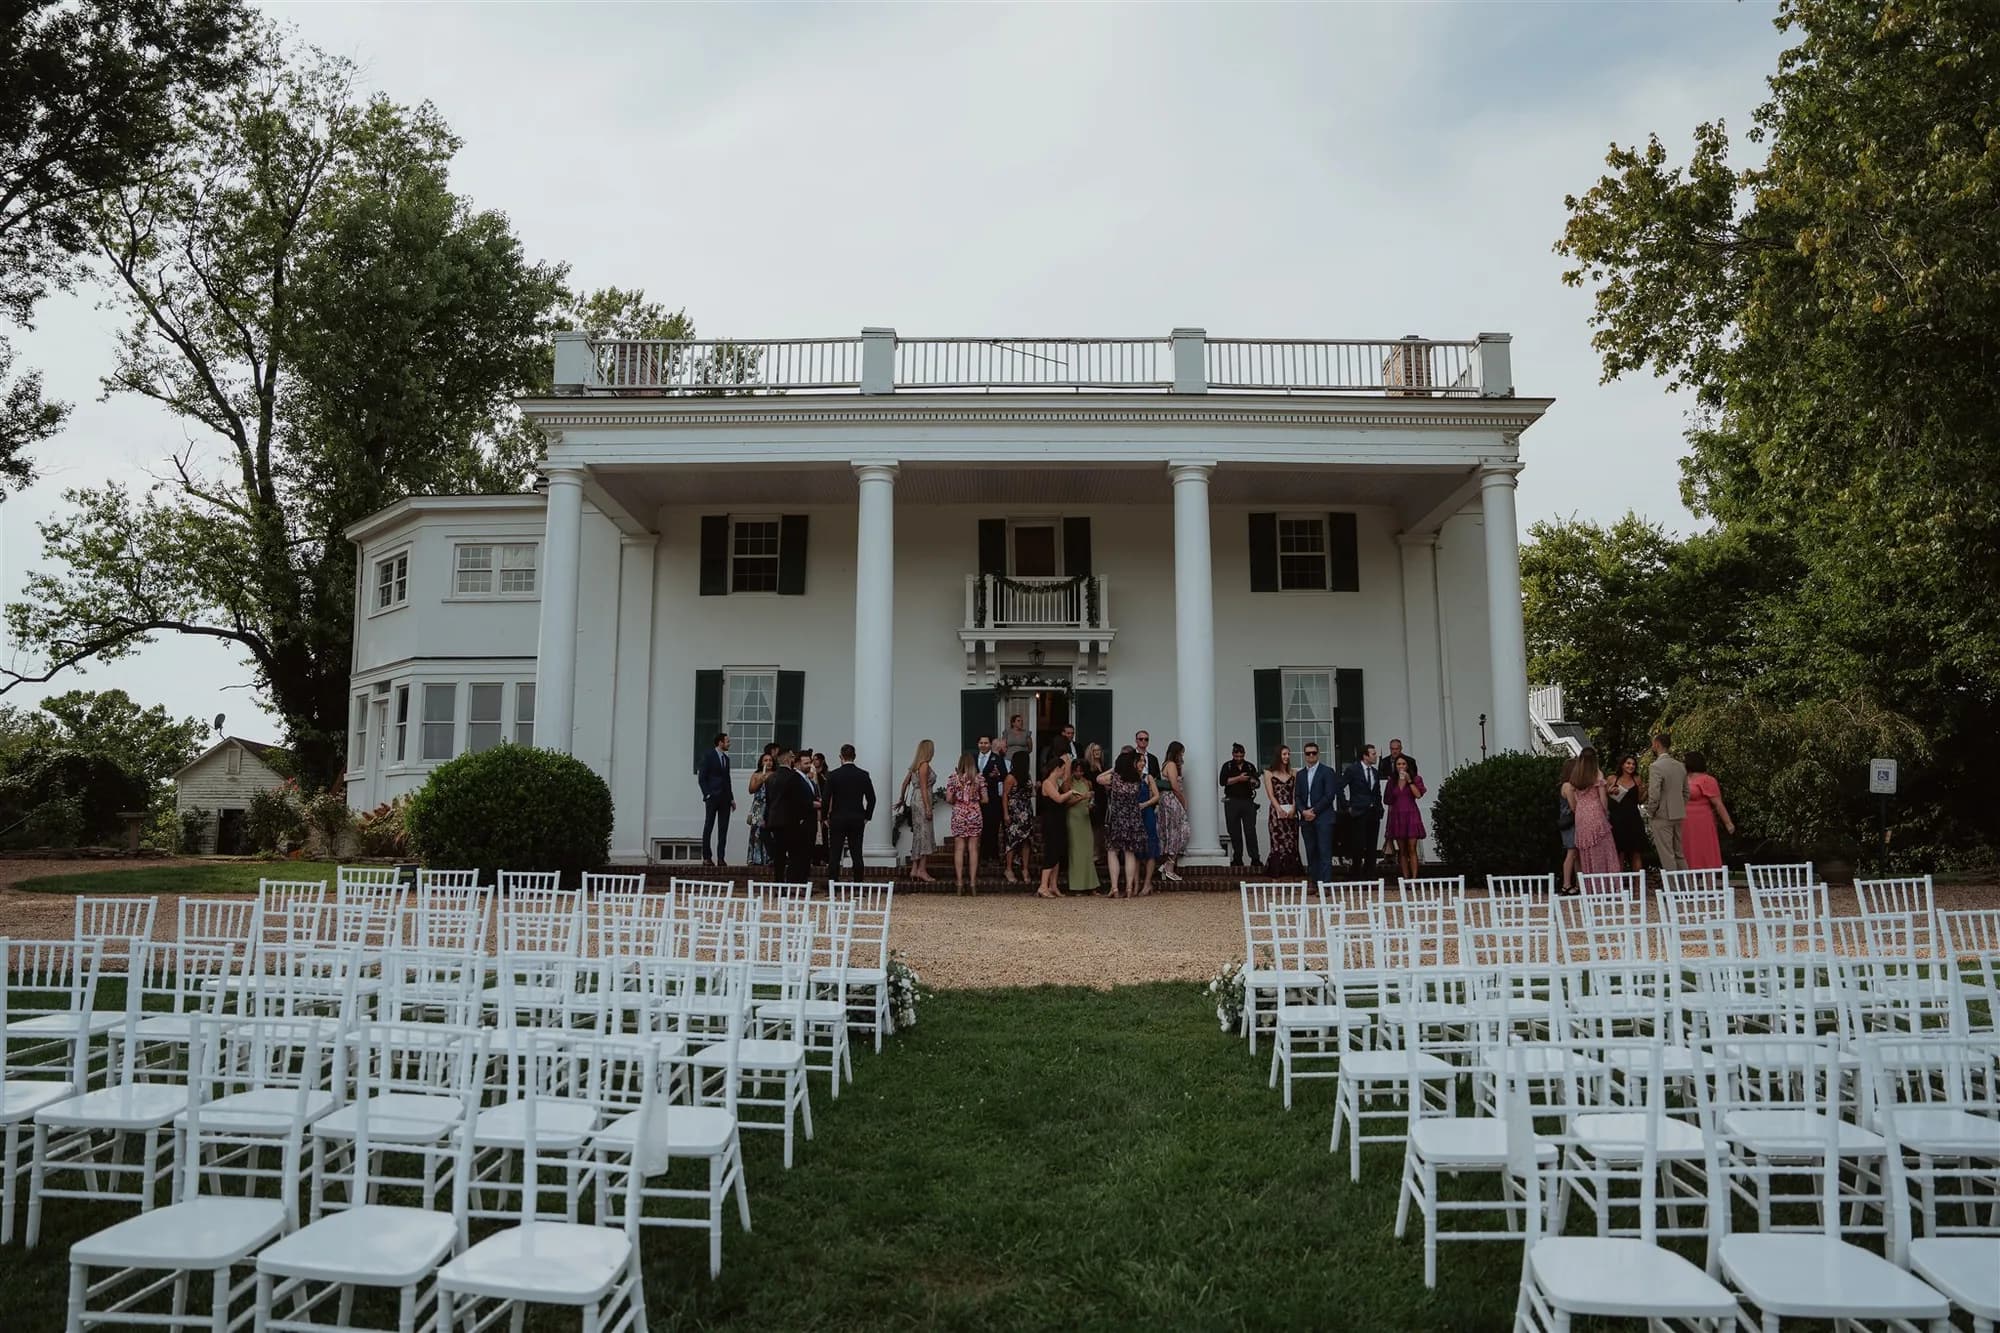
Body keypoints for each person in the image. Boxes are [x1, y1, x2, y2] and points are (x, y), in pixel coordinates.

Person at [761, 747, 813, 882]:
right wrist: (801, 817)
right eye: (791, 757)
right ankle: (791, 882)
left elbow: (769, 801)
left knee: (779, 855)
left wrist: (767, 819)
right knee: (795, 854)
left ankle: (779, 883)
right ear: (786, 759)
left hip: (775, 821)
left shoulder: (771, 778)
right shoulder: (793, 777)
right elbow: (798, 800)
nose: (792, 760)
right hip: (791, 821)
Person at [1104, 749, 1151, 898]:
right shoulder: (1136, 779)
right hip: (1133, 818)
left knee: (1112, 851)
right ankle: (1129, 888)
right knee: (1129, 852)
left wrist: (1113, 769)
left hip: (1118, 818)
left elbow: (1099, 778)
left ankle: (1115, 887)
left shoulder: (1115, 778)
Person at [1569, 746, 1620, 882]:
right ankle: (1608, 885)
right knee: (1605, 849)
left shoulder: (1575, 775)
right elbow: (1603, 798)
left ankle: (1592, 886)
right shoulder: (1597, 774)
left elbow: (1574, 799)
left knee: (1587, 850)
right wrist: (1605, 812)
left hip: (1581, 814)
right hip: (1596, 812)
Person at [824, 743, 875, 879]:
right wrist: (867, 816)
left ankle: (832, 886)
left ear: (841, 756)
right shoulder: (863, 775)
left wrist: (824, 817)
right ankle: (858, 886)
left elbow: (826, 798)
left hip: (837, 817)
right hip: (857, 817)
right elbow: (872, 799)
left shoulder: (833, 775)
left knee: (834, 854)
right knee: (857, 853)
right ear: (855, 756)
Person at [1681, 752, 1735, 872]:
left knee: (1704, 851)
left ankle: (1709, 885)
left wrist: (1728, 822)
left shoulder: (1708, 780)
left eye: (1684, 761)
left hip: (1702, 821)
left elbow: (1718, 803)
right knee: (1688, 851)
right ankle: (1690, 886)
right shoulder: (1682, 779)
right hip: (1685, 822)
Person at [1645, 732, 1690, 875]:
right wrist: (1679, 806)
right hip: (1678, 812)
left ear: (1657, 744)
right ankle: (1686, 889)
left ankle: (1673, 890)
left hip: (1661, 814)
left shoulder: (1656, 767)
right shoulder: (1680, 766)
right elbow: (1686, 792)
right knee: (1679, 853)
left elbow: (1654, 794)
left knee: (1667, 855)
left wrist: (1651, 812)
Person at [1036, 753, 1078, 899]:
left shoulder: (1057, 782)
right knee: (1051, 852)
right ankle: (1043, 886)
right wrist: (1071, 792)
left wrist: (1068, 763)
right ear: (1056, 769)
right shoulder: (1047, 783)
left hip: (1058, 820)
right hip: (1051, 821)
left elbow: (1065, 779)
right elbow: (1059, 799)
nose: (1063, 772)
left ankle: (1053, 885)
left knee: (1058, 852)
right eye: (1062, 769)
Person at [1296, 741, 1338, 885]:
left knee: (1324, 851)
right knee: (1311, 851)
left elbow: (1329, 795)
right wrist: (1303, 811)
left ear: (1318, 754)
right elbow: (1297, 796)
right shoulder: (1300, 774)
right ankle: (1314, 881)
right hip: (1306, 817)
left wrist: (1314, 810)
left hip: (1323, 817)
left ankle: (1325, 884)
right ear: (1304, 755)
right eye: (1308, 753)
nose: (1311, 755)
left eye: (1314, 753)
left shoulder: (1327, 771)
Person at [945, 751, 986, 894]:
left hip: (959, 814)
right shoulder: (979, 779)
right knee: (974, 849)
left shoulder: (953, 778)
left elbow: (949, 799)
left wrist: (959, 800)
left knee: (959, 849)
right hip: (974, 813)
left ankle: (960, 883)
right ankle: (973, 883)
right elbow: (985, 799)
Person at [897, 739, 937, 882]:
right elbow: (924, 787)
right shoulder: (924, 765)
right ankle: (922, 869)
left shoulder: (914, 765)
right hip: (922, 800)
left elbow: (904, 784)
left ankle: (914, 868)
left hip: (915, 798)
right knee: (925, 834)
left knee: (918, 834)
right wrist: (927, 807)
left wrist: (902, 799)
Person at [1382, 753, 1427, 881]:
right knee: (1402, 849)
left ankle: (1414, 878)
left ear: (1407, 766)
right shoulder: (1392, 781)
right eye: (1398, 764)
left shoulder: (1416, 778)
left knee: (1412, 848)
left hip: (1411, 814)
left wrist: (1409, 781)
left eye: (1403, 764)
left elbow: (1418, 795)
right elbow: (1387, 799)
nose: (1401, 766)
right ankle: (1405, 878)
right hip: (1397, 815)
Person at [1341, 743, 1384, 874]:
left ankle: (1370, 874)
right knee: (1358, 845)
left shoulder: (1375, 772)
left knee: (1372, 845)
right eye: (1373, 754)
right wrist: (1347, 805)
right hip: (1359, 812)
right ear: (1365, 756)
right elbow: (1339, 786)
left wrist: (1379, 807)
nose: (1376, 756)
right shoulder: (1353, 770)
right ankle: (1356, 874)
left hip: (1373, 812)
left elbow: (1377, 792)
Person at [1219, 743, 1262, 870]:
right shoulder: (1227, 766)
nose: (1238, 757)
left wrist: (1253, 781)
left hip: (1247, 801)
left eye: (1241, 755)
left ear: (1244, 754)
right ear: (1233, 754)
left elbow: (1256, 784)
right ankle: (1237, 858)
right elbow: (1223, 782)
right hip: (1232, 801)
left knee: (1250, 831)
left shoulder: (1250, 766)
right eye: (1236, 755)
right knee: (1234, 831)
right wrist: (1239, 778)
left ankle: (1255, 858)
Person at [1156, 741, 1191, 882]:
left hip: (1168, 800)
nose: (1182, 755)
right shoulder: (1170, 765)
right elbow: (1175, 786)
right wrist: (1184, 801)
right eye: (1181, 752)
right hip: (1171, 800)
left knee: (1175, 832)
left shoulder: (1169, 764)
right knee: (1179, 832)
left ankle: (1168, 865)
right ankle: (1169, 866)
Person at [697, 731, 735, 866]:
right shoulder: (708, 756)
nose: (729, 743)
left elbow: (727, 780)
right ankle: (707, 857)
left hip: (725, 798)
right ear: (720, 742)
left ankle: (721, 858)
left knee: (723, 829)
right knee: (709, 826)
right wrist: (707, 794)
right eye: (727, 741)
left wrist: (731, 798)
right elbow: (702, 778)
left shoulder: (726, 759)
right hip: (712, 797)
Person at [1264, 745, 1302, 874]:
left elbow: (1296, 793)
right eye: (1284, 754)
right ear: (1278, 756)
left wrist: (1294, 808)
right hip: (1276, 811)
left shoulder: (1294, 773)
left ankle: (1292, 869)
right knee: (1277, 841)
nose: (1287, 757)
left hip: (1291, 811)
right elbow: (1270, 794)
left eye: (1288, 754)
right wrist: (1278, 808)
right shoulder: (1268, 773)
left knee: (1291, 840)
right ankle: (1277, 869)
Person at [1066, 749, 1100, 895]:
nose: (1079, 774)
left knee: (1087, 852)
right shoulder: (1068, 783)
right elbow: (1066, 803)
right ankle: (1076, 886)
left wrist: (1091, 804)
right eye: (1076, 771)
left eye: (1081, 771)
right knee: (1075, 852)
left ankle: (1091, 885)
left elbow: (1092, 800)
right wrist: (1082, 797)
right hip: (1073, 818)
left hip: (1085, 817)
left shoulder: (1088, 782)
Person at [1605, 753, 1647, 873]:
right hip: (1616, 819)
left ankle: (1638, 887)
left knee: (1636, 853)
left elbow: (1639, 800)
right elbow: (1603, 799)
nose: (1631, 766)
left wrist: (1646, 792)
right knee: (1619, 853)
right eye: (1628, 763)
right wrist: (1609, 791)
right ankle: (1619, 887)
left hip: (1633, 818)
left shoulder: (1637, 779)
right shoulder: (1612, 779)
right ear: (1622, 765)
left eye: (1633, 764)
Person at [1002, 749, 1037, 885]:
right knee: (1012, 841)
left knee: (1026, 840)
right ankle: (1009, 869)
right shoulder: (1010, 777)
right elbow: (1005, 795)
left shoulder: (1026, 776)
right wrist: (1005, 814)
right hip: (1014, 811)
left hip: (1026, 810)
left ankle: (1025, 869)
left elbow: (1031, 793)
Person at [745, 744, 778, 868]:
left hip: (771, 806)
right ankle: (755, 858)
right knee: (756, 832)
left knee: (770, 833)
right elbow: (751, 790)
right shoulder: (756, 775)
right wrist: (761, 780)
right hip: (758, 806)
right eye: (765, 760)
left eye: (770, 760)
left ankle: (769, 858)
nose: (768, 763)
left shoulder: (776, 774)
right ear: (761, 762)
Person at [978, 737, 1008, 868]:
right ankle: (982, 856)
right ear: (978, 744)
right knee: (981, 828)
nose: (983, 745)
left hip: (993, 798)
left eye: (986, 743)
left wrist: (997, 775)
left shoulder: (997, 758)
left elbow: (1005, 776)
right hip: (976, 798)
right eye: (981, 743)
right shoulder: (973, 757)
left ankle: (994, 856)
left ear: (990, 745)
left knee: (993, 828)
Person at [1557, 756, 1579, 893]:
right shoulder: (1568, 786)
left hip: (1571, 822)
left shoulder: (1565, 785)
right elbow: (1573, 806)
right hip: (1571, 823)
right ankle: (1566, 884)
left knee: (1576, 853)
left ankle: (1578, 883)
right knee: (1571, 852)